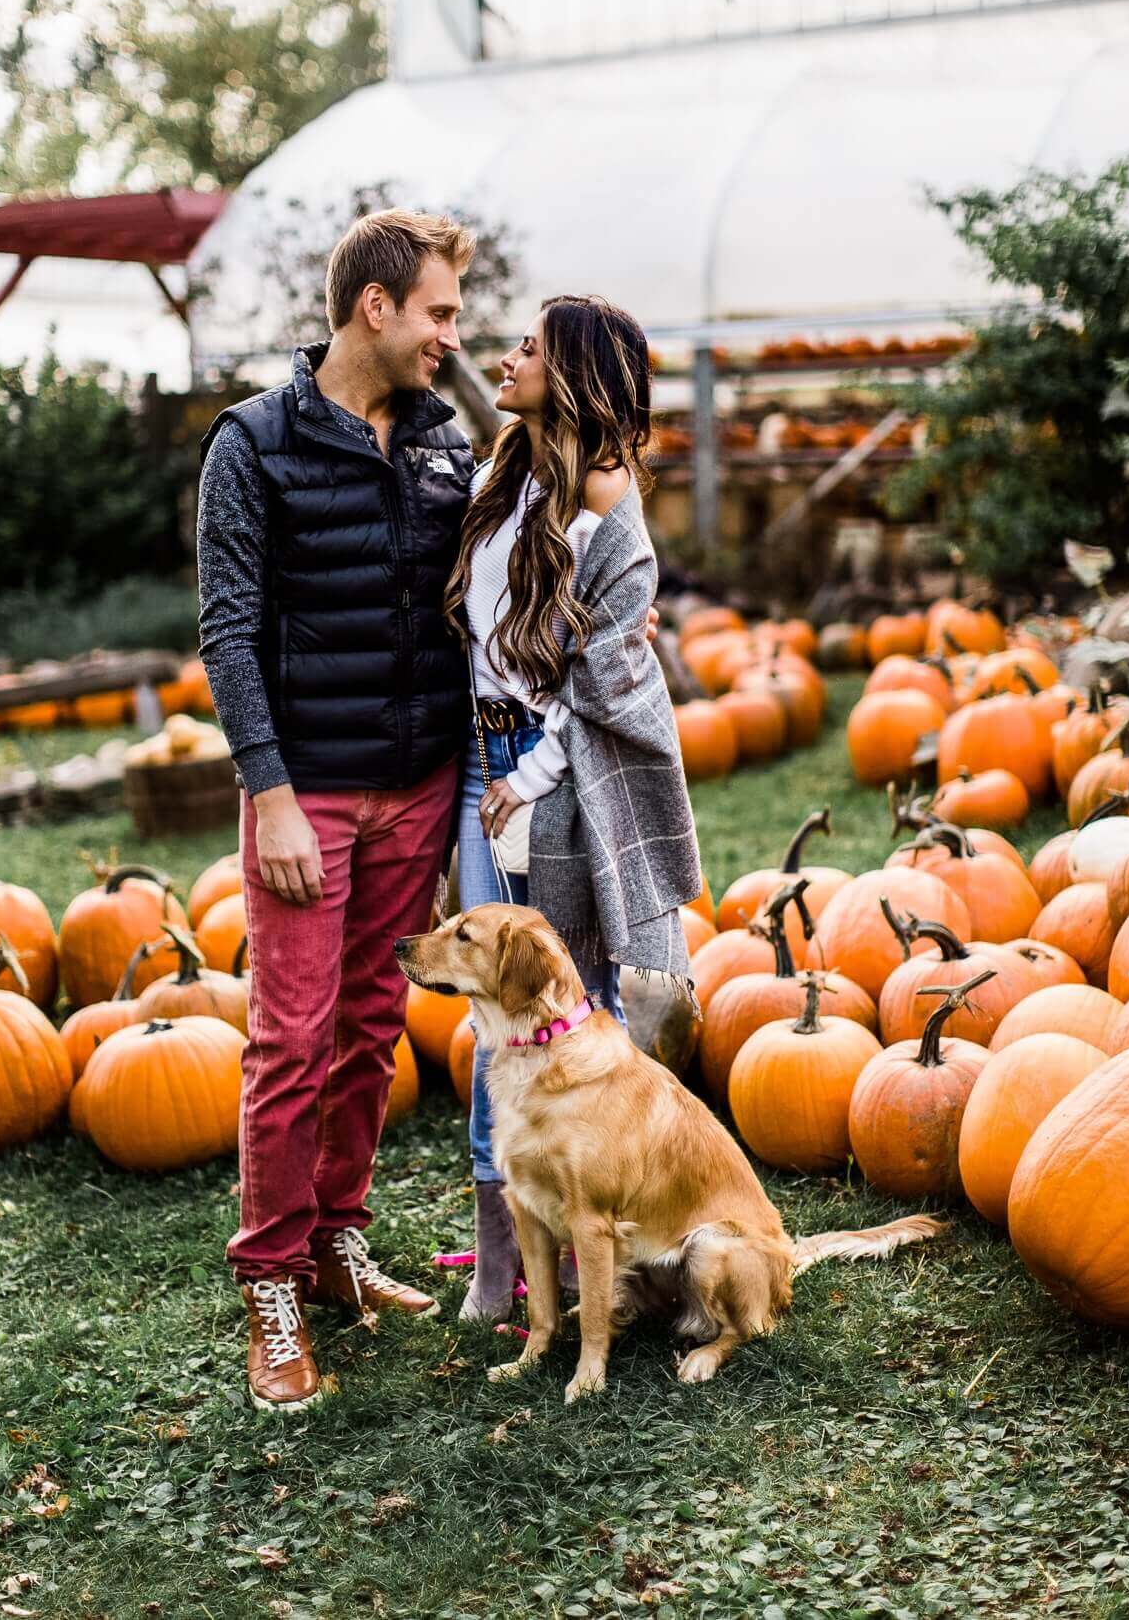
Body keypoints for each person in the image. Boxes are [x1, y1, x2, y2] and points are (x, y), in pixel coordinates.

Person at [197, 209, 478, 1413]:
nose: (452, 338)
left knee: (370, 1029)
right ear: (376, 306)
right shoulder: (251, 445)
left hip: (416, 782)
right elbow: (226, 625)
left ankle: (334, 1244)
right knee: (290, 1040)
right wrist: (268, 795)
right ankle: (269, 1276)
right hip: (307, 789)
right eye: (439, 313)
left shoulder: (442, 440)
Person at [440, 296, 704, 1322]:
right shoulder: (503, 468)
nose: (508, 358)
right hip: (480, 756)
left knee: (558, 1009)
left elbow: (599, 680)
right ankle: (501, 1258)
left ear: (574, 373)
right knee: (487, 1003)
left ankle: (586, 1244)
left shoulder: (605, 500)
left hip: (547, 773)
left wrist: (530, 778)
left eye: (527, 348)